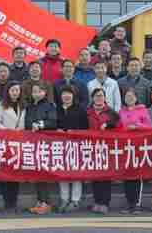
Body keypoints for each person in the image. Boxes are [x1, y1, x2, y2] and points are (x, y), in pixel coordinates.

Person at [0, 82, 26, 213]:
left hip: (18, 143)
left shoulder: (23, 105)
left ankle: (13, 202)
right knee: (4, 174)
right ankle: (7, 203)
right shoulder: (1, 105)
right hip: (4, 142)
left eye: (17, 90)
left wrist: (19, 132)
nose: (15, 92)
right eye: (12, 90)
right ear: (8, 91)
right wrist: (8, 131)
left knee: (15, 174)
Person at [25, 83, 58, 215]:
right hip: (32, 143)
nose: (37, 94)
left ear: (44, 92)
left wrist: (40, 125)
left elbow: (53, 122)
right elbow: (27, 122)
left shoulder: (50, 106)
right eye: (34, 91)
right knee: (36, 174)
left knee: (43, 174)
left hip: (45, 143)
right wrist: (31, 125)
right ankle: (40, 201)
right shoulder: (30, 106)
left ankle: (46, 203)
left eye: (39, 91)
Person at [87, 88, 120, 215]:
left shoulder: (111, 112)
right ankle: (97, 201)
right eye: (96, 96)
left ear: (105, 98)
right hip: (91, 148)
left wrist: (108, 125)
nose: (99, 98)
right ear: (92, 98)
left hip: (107, 148)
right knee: (95, 177)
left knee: (105, 177)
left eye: (101, 96)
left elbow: (117, 123)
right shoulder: (88, 112)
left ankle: (105, 203)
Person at [55, 85, 88, 213]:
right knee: (62, 173)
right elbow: (52, 124)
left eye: (69, 93)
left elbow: (85, 128)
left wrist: (75, 132)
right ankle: (64, 199)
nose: (66, 96)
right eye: (64, 93)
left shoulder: (80, 110)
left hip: (76, 146)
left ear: (73, 96)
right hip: (60, 146)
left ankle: (75, 200)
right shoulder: (56, 109)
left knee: (76, 174)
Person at [119, 88, 152, 214]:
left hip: (139, 146)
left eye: (131, 96)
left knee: (137, 176)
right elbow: (118, 127)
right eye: (127, 96)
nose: (129, 98)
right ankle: (129, 203)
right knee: (127, 176)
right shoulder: (121, 111)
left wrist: (137, 126)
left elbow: (149, 127)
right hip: (125, 147)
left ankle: (137, 203)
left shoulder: (143, 110)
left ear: (136, 98)